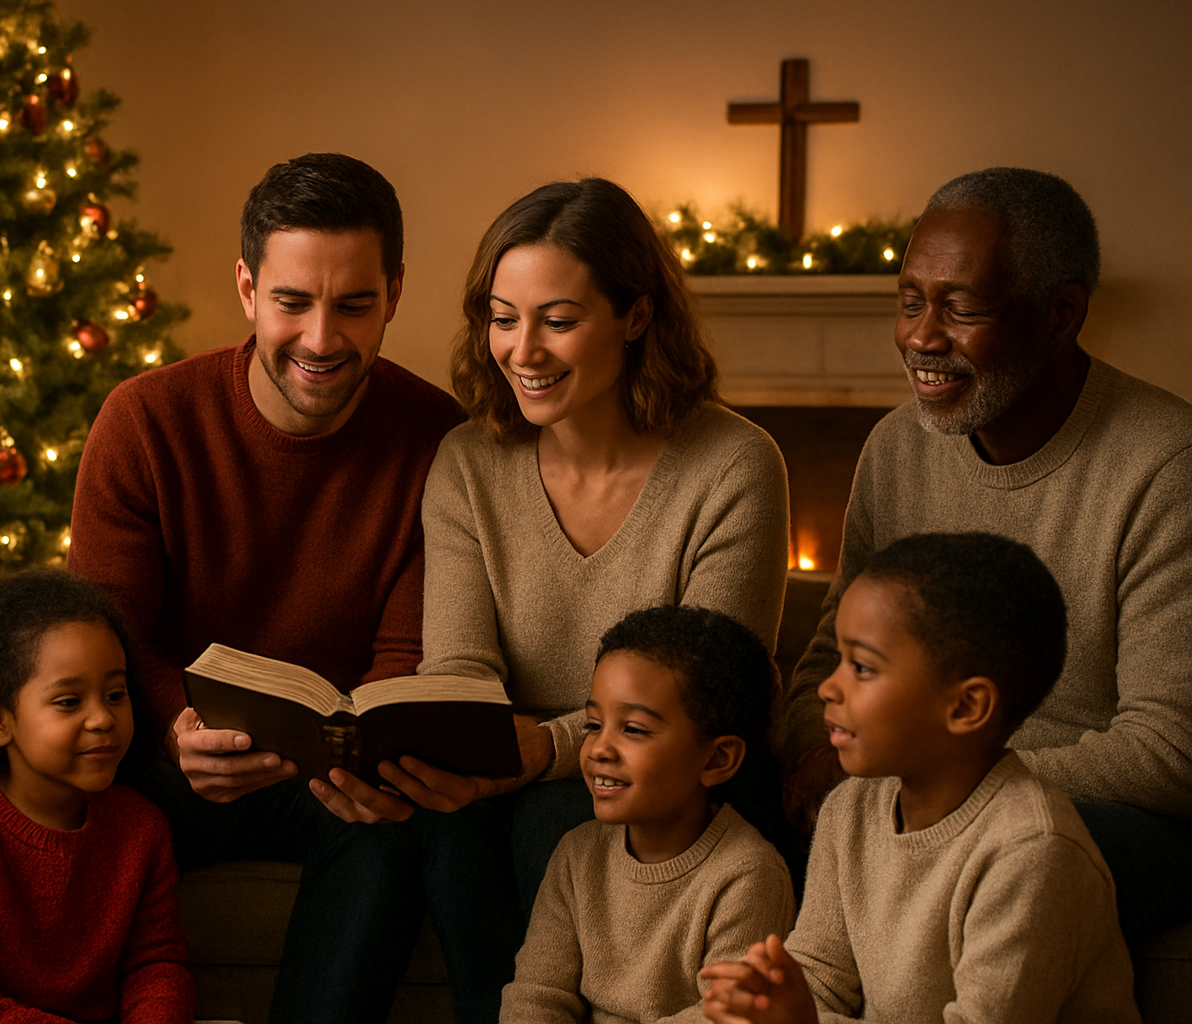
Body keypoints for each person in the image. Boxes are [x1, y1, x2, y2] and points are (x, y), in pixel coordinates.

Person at [67, 153, 470, 1023]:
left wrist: (366, 756)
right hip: (165, 756)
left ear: (394, 293)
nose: (322, 340)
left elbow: (406, 655)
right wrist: (177, 728)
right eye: (293, 302)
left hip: (332, 775)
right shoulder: (144, 423)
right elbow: (107, 639)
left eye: (355, 304)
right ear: (248, 288)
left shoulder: (441, 439)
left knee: (387, 835)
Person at [775, 167, 1192, 941]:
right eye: (909, 302)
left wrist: (938, 778)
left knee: (969, 859)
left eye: (962, 308)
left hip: (1092, 815)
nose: (921, 338)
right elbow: (827, 652)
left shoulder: (1166, 465)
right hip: (905, 783)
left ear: (1061, 313)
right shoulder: (898, 445)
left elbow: (1172, 752)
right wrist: (814, 743)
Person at [379, 178, 790, 912]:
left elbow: (709, 695)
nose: (522, 351)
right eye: (503, 320)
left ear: (635, 316)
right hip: (510, 759)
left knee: (555, 823)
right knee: (431, 830)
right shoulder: (467, 463)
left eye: (558, 321)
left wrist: (548, 749)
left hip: (671, 768)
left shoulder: (735, 464)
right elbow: (461, 666)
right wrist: (476, 749)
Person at [701, 533, 1138, 1024]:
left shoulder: (1033, 854)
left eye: (862, 667)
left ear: (965, 706)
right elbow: (820, 977)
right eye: (839, 660)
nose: (828, 686)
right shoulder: (850, 808)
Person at [0, 569, 193, 1024]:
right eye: (68, 701)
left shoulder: (141, 827)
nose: (102, 718)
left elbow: (156, 964)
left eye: (115, 694)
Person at [501, 605, 796, 1024]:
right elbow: (536, 995)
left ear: (717, 759)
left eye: (634, 729)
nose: (600, 748)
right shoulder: (576, 854)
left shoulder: (749, 875)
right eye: (592, 725)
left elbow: (724, 1016)